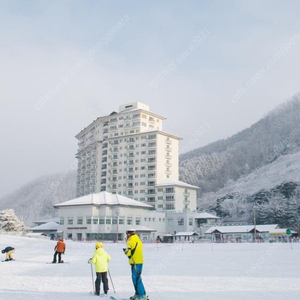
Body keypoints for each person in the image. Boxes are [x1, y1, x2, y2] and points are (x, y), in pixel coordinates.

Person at [123, 229, 148, 300]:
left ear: (129, 234)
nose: (127, 236)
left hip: (135, 262)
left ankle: (142, 295)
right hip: (138, 262)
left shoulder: (131, 240)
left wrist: (125, 252)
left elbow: (129, 252)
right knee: (136, 278)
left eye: (127, 234)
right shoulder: (138, 240)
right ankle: (138, 294)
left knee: (136, 279)